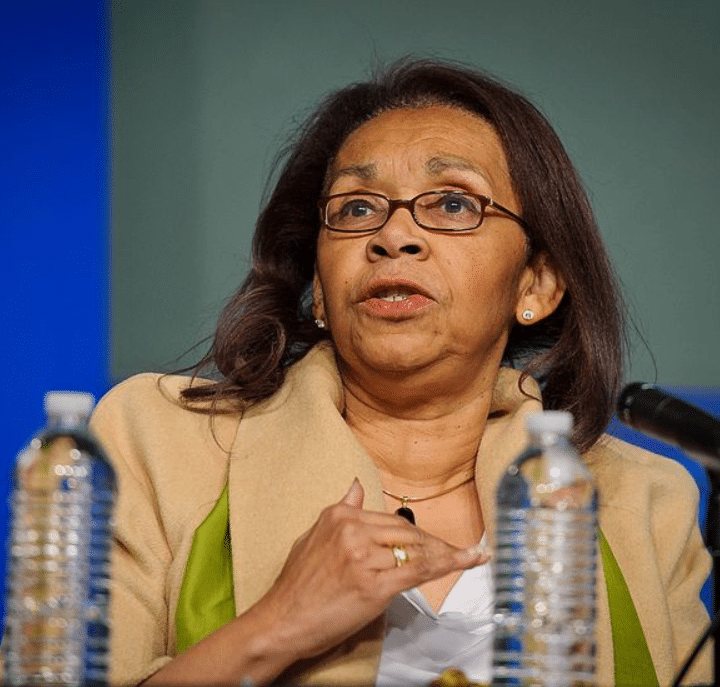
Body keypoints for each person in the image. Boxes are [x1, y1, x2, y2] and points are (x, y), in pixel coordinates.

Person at [90, 59, 712, 686]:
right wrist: (278, 625)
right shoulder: (158, 442)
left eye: (451, 202)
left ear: (537, 283)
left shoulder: (642, 500)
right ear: (321, 292)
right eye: (357, 209)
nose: (395, 235)